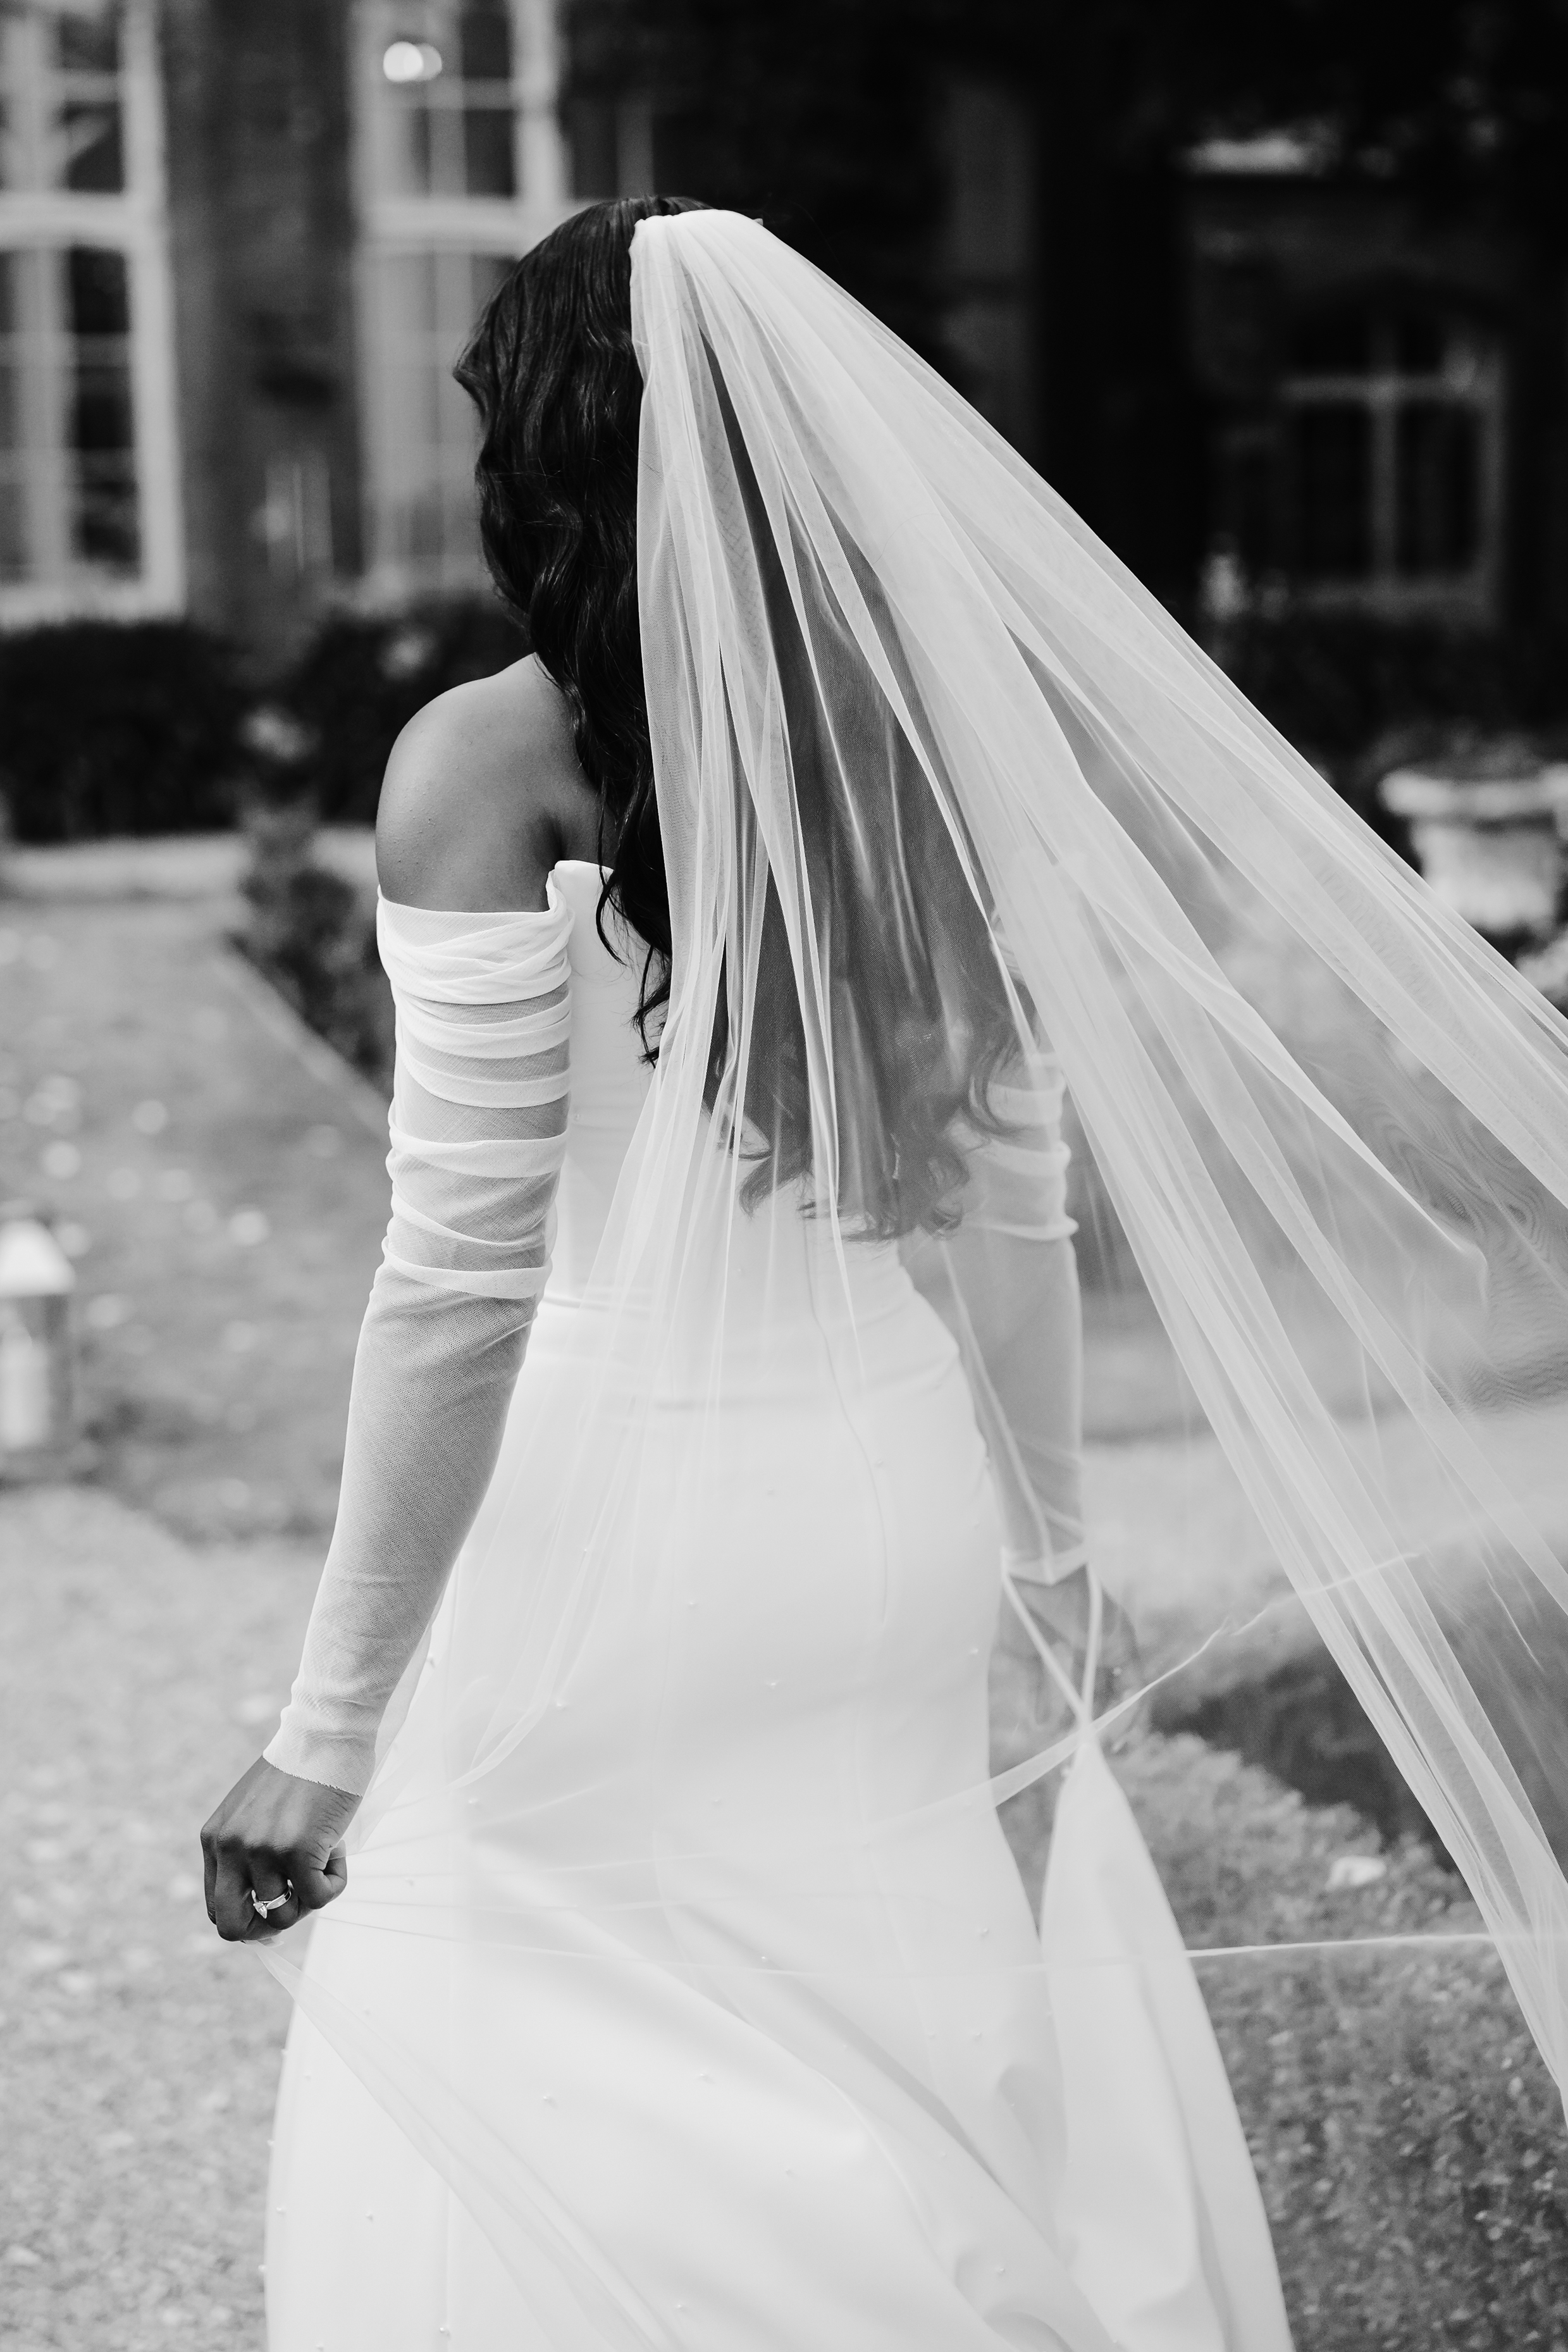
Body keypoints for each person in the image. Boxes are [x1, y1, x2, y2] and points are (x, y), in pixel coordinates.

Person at [202, 199, 1568, 2351]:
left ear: (549, 452)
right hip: (886, 1504)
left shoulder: (483, 760)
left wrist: (326, 1730)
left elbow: (458, 1287)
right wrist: (1044, 1547)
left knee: (511, 2042)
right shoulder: (922, 736)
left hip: (613, 1535)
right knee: (891, 2056)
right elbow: (1007, 1194)